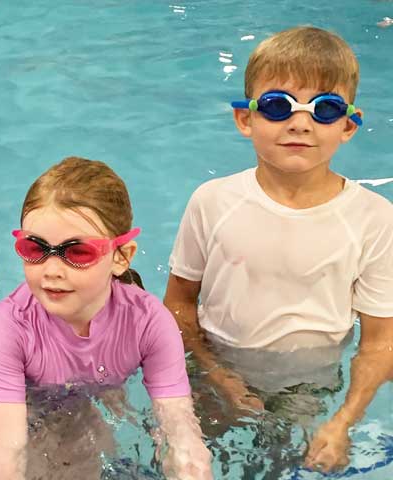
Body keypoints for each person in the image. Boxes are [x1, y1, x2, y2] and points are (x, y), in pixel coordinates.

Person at [163, 26, 393, 473]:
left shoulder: (374, 219)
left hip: (307, 385)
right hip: (214, 366)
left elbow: (381, 342)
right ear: (245, 119)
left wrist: (344, 422)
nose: (300, 123)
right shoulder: (212, 201)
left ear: (348, 124)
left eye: (325, 109)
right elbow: (178, 305)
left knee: (280, 464)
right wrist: (217, 374)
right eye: (277, 105)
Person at [0, 157, 212, 480]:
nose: (51, 270)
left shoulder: (149, 322)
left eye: (78, 253)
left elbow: (180, 430)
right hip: (37, 404)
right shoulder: (10, 326)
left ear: (121, 257)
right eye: (34, 248)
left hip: (99, 387)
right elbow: (9, 451)